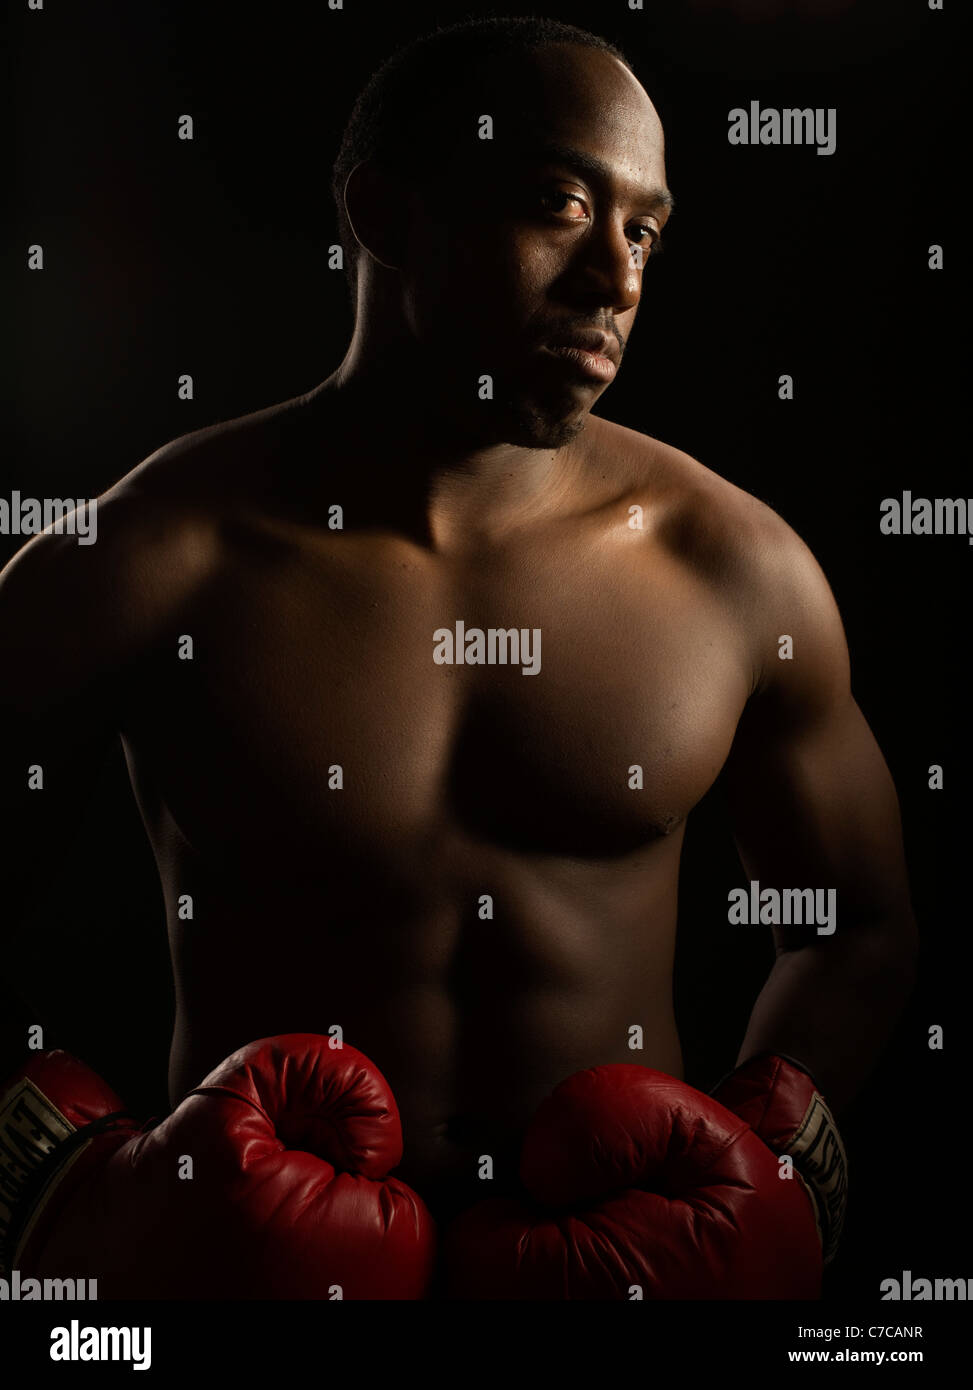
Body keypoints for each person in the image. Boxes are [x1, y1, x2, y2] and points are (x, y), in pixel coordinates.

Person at [0, 17, 916, 1296]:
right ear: (383, 210)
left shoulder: (732, 567)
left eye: (644, 229)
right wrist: (65, 1177)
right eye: (561, 202)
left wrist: (776, 1162)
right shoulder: (154, 554)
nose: (617, 276)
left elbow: (855, 919)